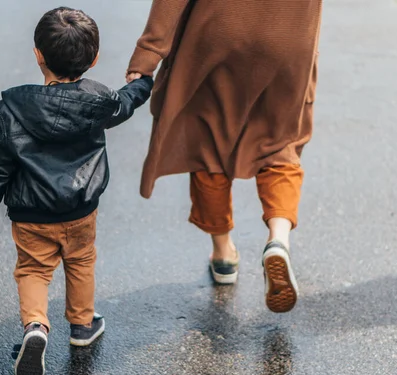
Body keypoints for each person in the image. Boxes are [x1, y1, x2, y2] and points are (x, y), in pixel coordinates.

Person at [0, 7, 152, 375]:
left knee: (34, 270)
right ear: (95, 58)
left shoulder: (11, 110)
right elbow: (127, 101)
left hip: (31, 214)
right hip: (80, 209)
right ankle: (82, 325)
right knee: (80, 261)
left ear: (38, 53)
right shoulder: (100, 101)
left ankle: (36, 326)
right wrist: (143, 81)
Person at [126, 0, 321, 313]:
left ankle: (223, 255)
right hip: (291, 38)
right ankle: (279, 239)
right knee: (279, 142)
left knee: (209, 142)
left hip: (219, 32)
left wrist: (148, 54)